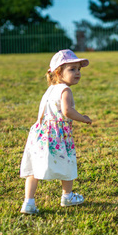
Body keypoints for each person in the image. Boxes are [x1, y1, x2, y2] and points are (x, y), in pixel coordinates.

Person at [19, 49, 92, 215]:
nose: (77, 73)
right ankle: (67, 196)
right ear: (58, 72)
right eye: (72, 69)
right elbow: (67, 111)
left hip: (39, 133)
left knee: (34, 169)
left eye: (78, 69)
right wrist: (83, 118)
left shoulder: (50, 89)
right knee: (67, 163)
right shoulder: (65, 90)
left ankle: (28, 202)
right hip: (57, 135)